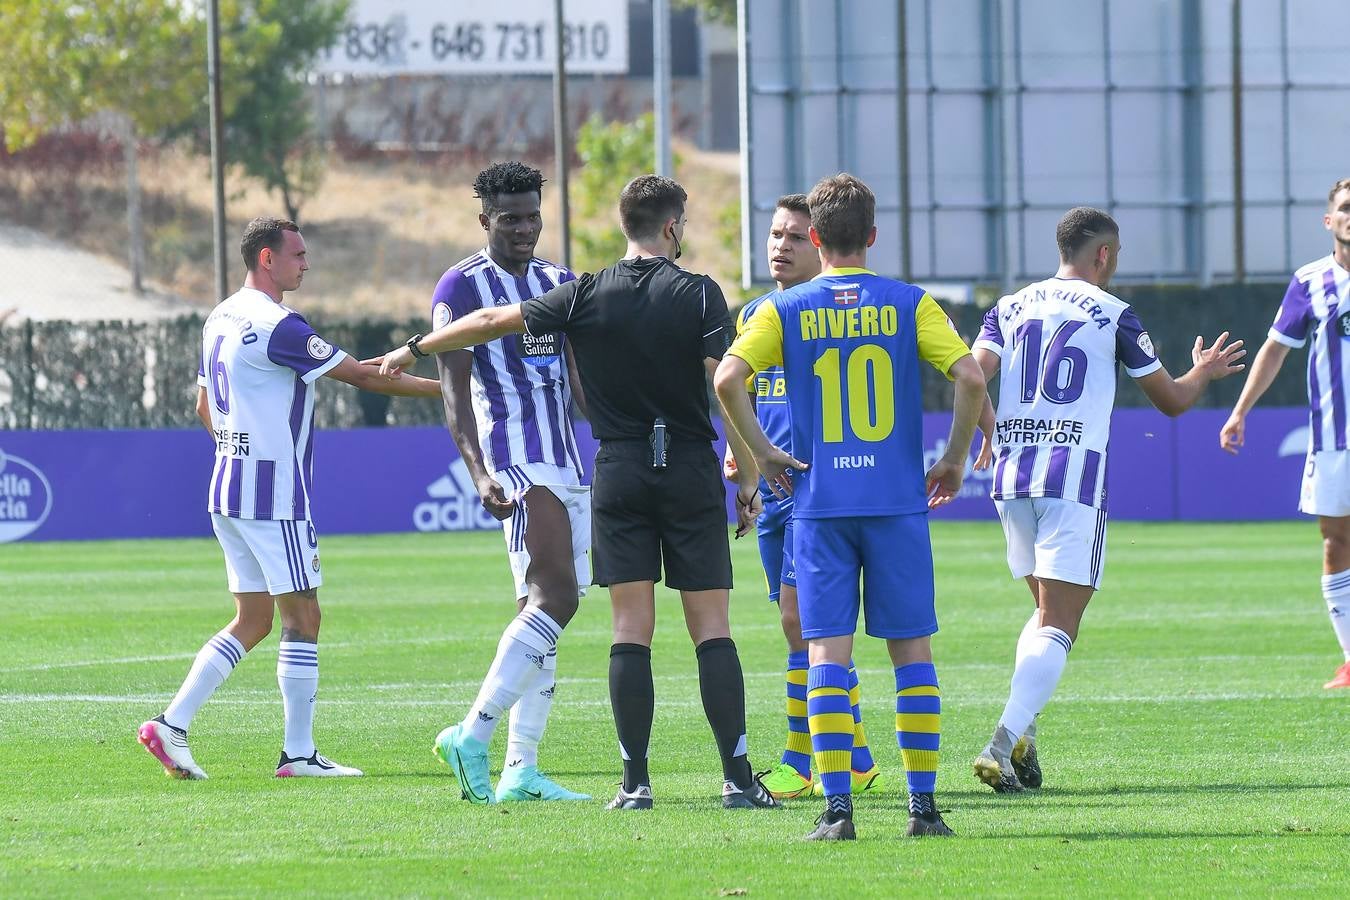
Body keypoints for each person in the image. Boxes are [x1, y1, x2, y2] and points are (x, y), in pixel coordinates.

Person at [380, 174, 778, 812]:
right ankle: (736, 778)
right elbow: (725, 381)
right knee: (708, 627)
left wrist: (411, 348)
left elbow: (487, 325)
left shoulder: (581, 290)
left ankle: (631, 783)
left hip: (612, 470)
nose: (525, 227)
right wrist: (751, 465)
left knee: (627, 628)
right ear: (673, 227)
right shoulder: (701, 293)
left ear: (624, 225)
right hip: (681, 467)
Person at [715, 172, 987, 841]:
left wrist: (763, 453)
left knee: (825, 656)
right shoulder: (910, 303)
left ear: (815, 237)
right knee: (912, 656)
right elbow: (972, 375)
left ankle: (838, 811)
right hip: (896, 505)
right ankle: (923, 809)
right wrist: (952, 458)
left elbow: (726, 378)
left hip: (820, 508)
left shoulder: (782, 310)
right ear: (871, 235)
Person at [137, 216, 442, 780]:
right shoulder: (281, 325)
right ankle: (298, 754)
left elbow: (204, 407)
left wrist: (239, 450)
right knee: (304, 616)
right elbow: (367, 378)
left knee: (252, 620)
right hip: (274, 494)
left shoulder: (220, 315)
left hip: (227, 487)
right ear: (267, 259)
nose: (307, 263)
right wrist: (452, 394)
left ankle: (171, 725)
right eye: (298, 254)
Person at [970, 207, 1246, 793]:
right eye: (1115, 257)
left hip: (1012, 478)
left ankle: (1024, 735)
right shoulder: (1113, 314)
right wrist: (1203, 372)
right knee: (1061, 624)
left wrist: (989, 431)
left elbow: (970, 376)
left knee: (1044, 613)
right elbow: (1170, 401)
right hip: (1073, 478)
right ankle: (1001, 739)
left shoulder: (1009, 306)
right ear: (1103, 255)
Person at [423, 161, 590, 803]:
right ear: (484, 219)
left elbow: (578, 377)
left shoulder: (559, 282)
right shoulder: (460, 286)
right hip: (515, 457)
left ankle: (521, 768)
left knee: (541, 609)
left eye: (531, 216)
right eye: (510, 218)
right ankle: (473, 734)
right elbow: (452, 387)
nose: (524, 228)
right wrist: (477, 470)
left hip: (567, 461)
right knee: (558, 597)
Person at [722, 193, 883, 801]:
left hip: (816, 490)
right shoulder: (758, 315)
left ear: (819, 244)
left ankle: (804, 757)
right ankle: (854, 755)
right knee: (800, 626)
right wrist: (738, 461)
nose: (779, 246)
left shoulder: (832, 317)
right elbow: (746, 396)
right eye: (774, 234)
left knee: (803, 623)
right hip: (773, 492)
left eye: (793, 236)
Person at [1221, 178, 1350, 690]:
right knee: (1336, 542)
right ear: (1329, 220)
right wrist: (1240, 410)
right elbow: (1276, 348)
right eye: (1345, 207)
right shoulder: (1311, 281)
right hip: (1334, 440)